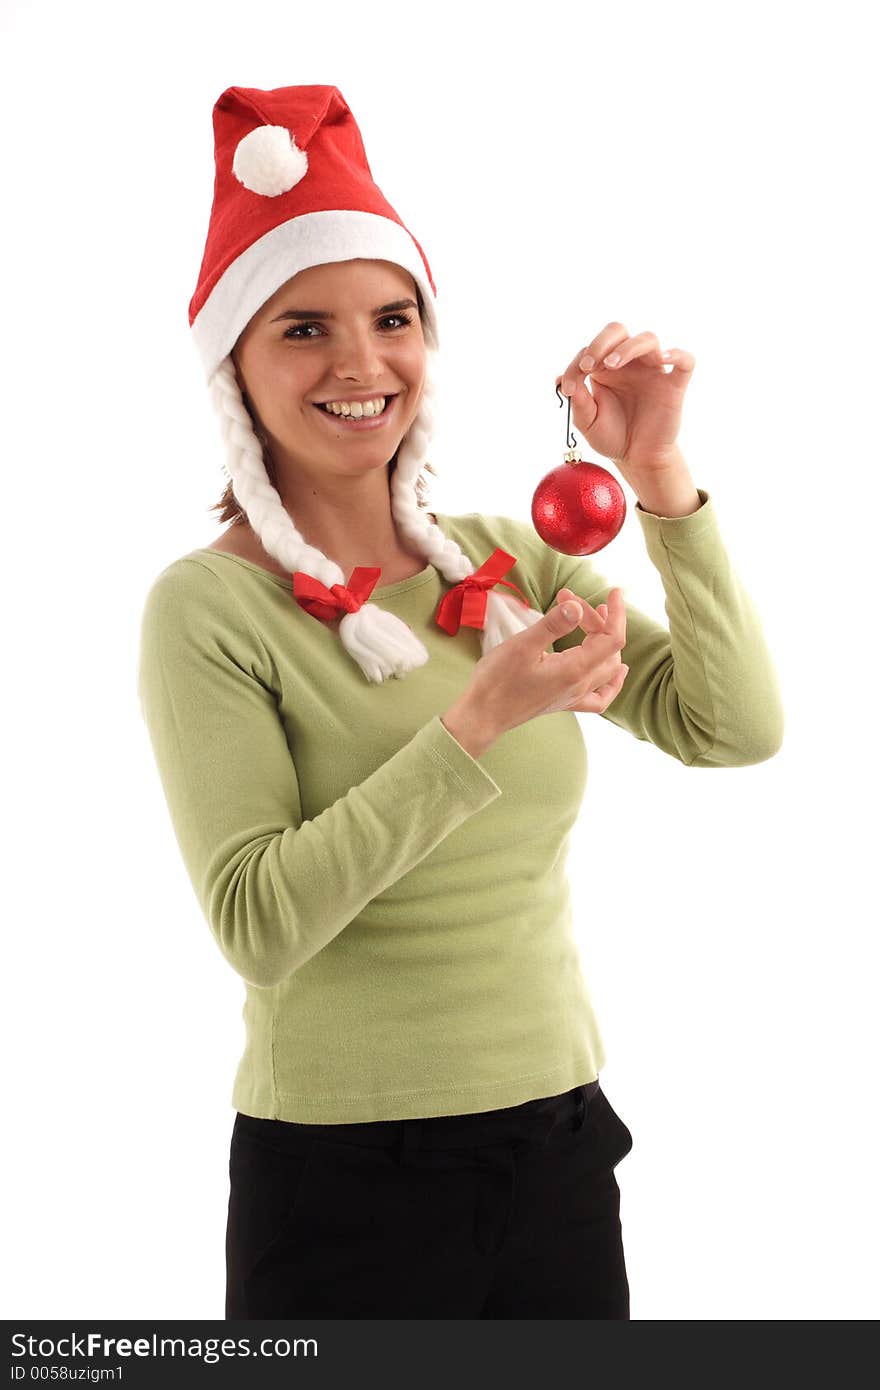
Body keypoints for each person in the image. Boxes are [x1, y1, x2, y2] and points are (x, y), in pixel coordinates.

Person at [136, 83, 784, 1320]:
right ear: (234, 368)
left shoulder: (503, 566)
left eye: (393, 318)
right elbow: (258, 922)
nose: (362, 363)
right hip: (338, 1176)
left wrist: (657, 480)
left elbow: (732, 726)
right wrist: (474, 721)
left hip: (554, 1143)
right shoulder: (207, 610)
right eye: (302, 329)